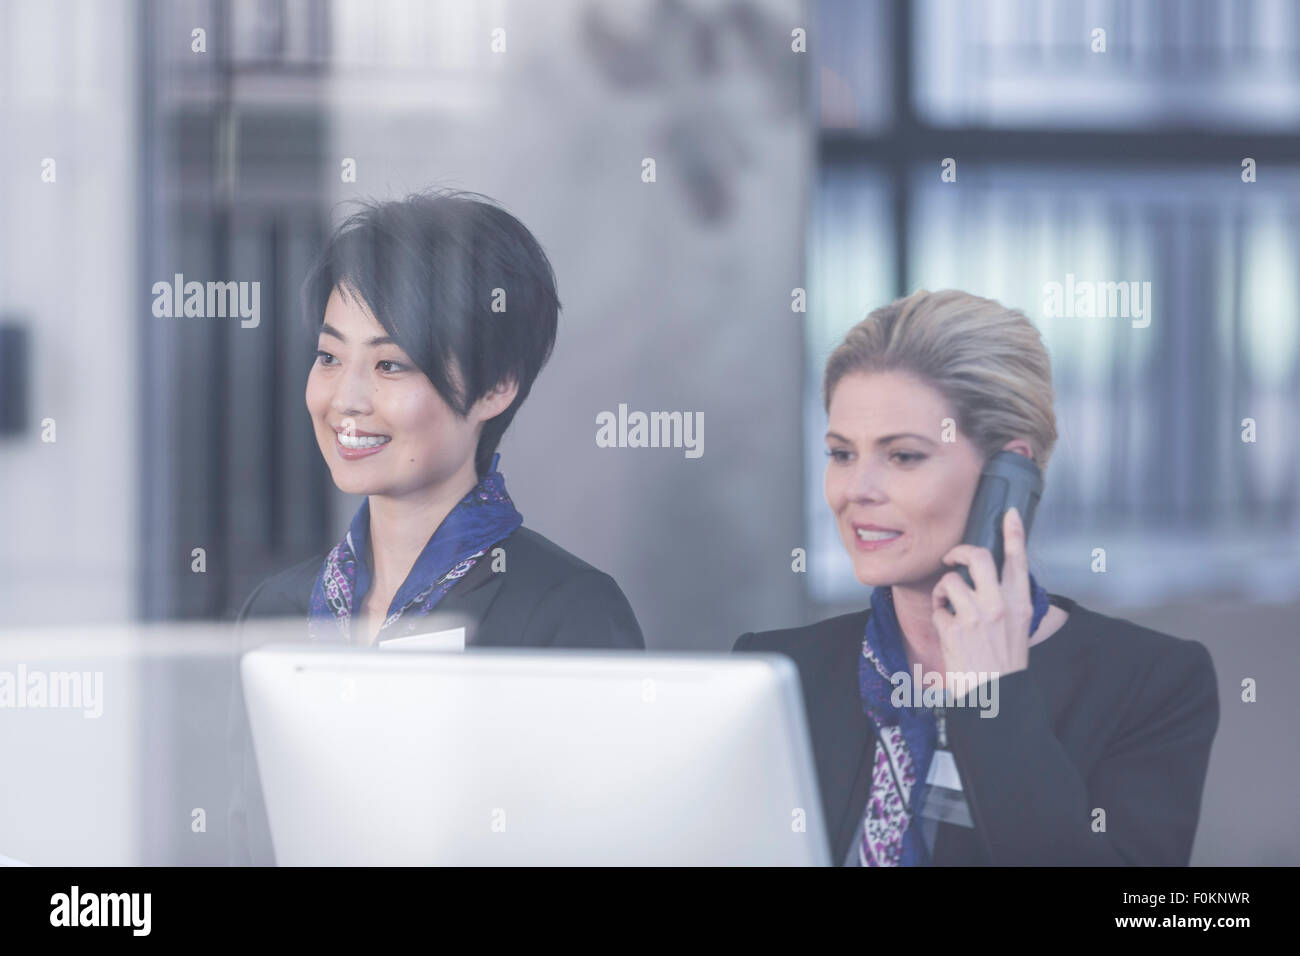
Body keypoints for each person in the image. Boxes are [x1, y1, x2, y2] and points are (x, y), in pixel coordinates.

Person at [227, 190, 644, 865]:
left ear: (495, 387)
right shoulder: (277, 608)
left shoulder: (568, 615)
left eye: (391, 364)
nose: (346, 400)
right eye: (330, 357)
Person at [735, 289, 1218, 866]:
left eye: (903, 456)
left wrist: (992, 698)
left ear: (1008, 472)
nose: (856, 490)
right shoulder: (777, 674)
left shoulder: (1150, 684)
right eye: (841, 454)